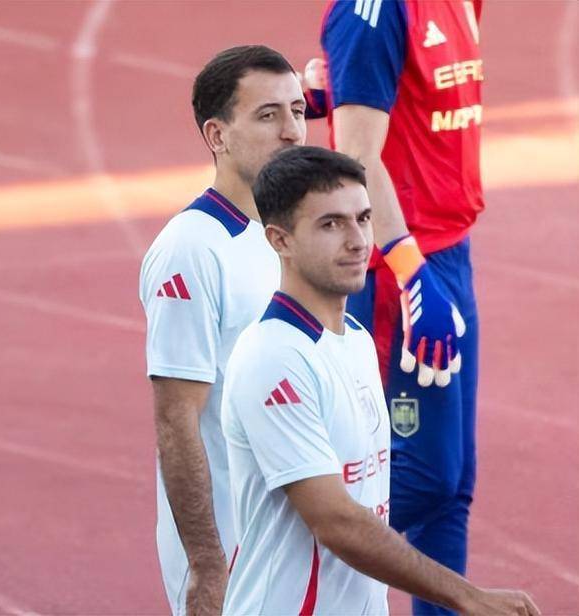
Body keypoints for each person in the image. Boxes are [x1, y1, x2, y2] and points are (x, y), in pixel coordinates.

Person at [221, 146, 536, 616]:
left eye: (364, 219)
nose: (357, 241)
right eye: (331, 224)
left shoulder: (356, 340)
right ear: (280, 240)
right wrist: (466, 596)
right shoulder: (274, 358)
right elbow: (338, 522)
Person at [317, 2, 485, 612]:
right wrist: (411, 272)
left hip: (450, 253)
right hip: (401, 268)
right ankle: (284, 555)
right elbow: (358, 157)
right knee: (425, 476)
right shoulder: (378, 8)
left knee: (454, 487)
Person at [139, 45, 305, 614]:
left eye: (299, 111)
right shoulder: (192, 249)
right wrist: (208, 564)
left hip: (299, 537)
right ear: (217, 135)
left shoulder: (294, 235)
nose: (292, 131)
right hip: (239, 550)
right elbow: (176, 418)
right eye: (268, 115)